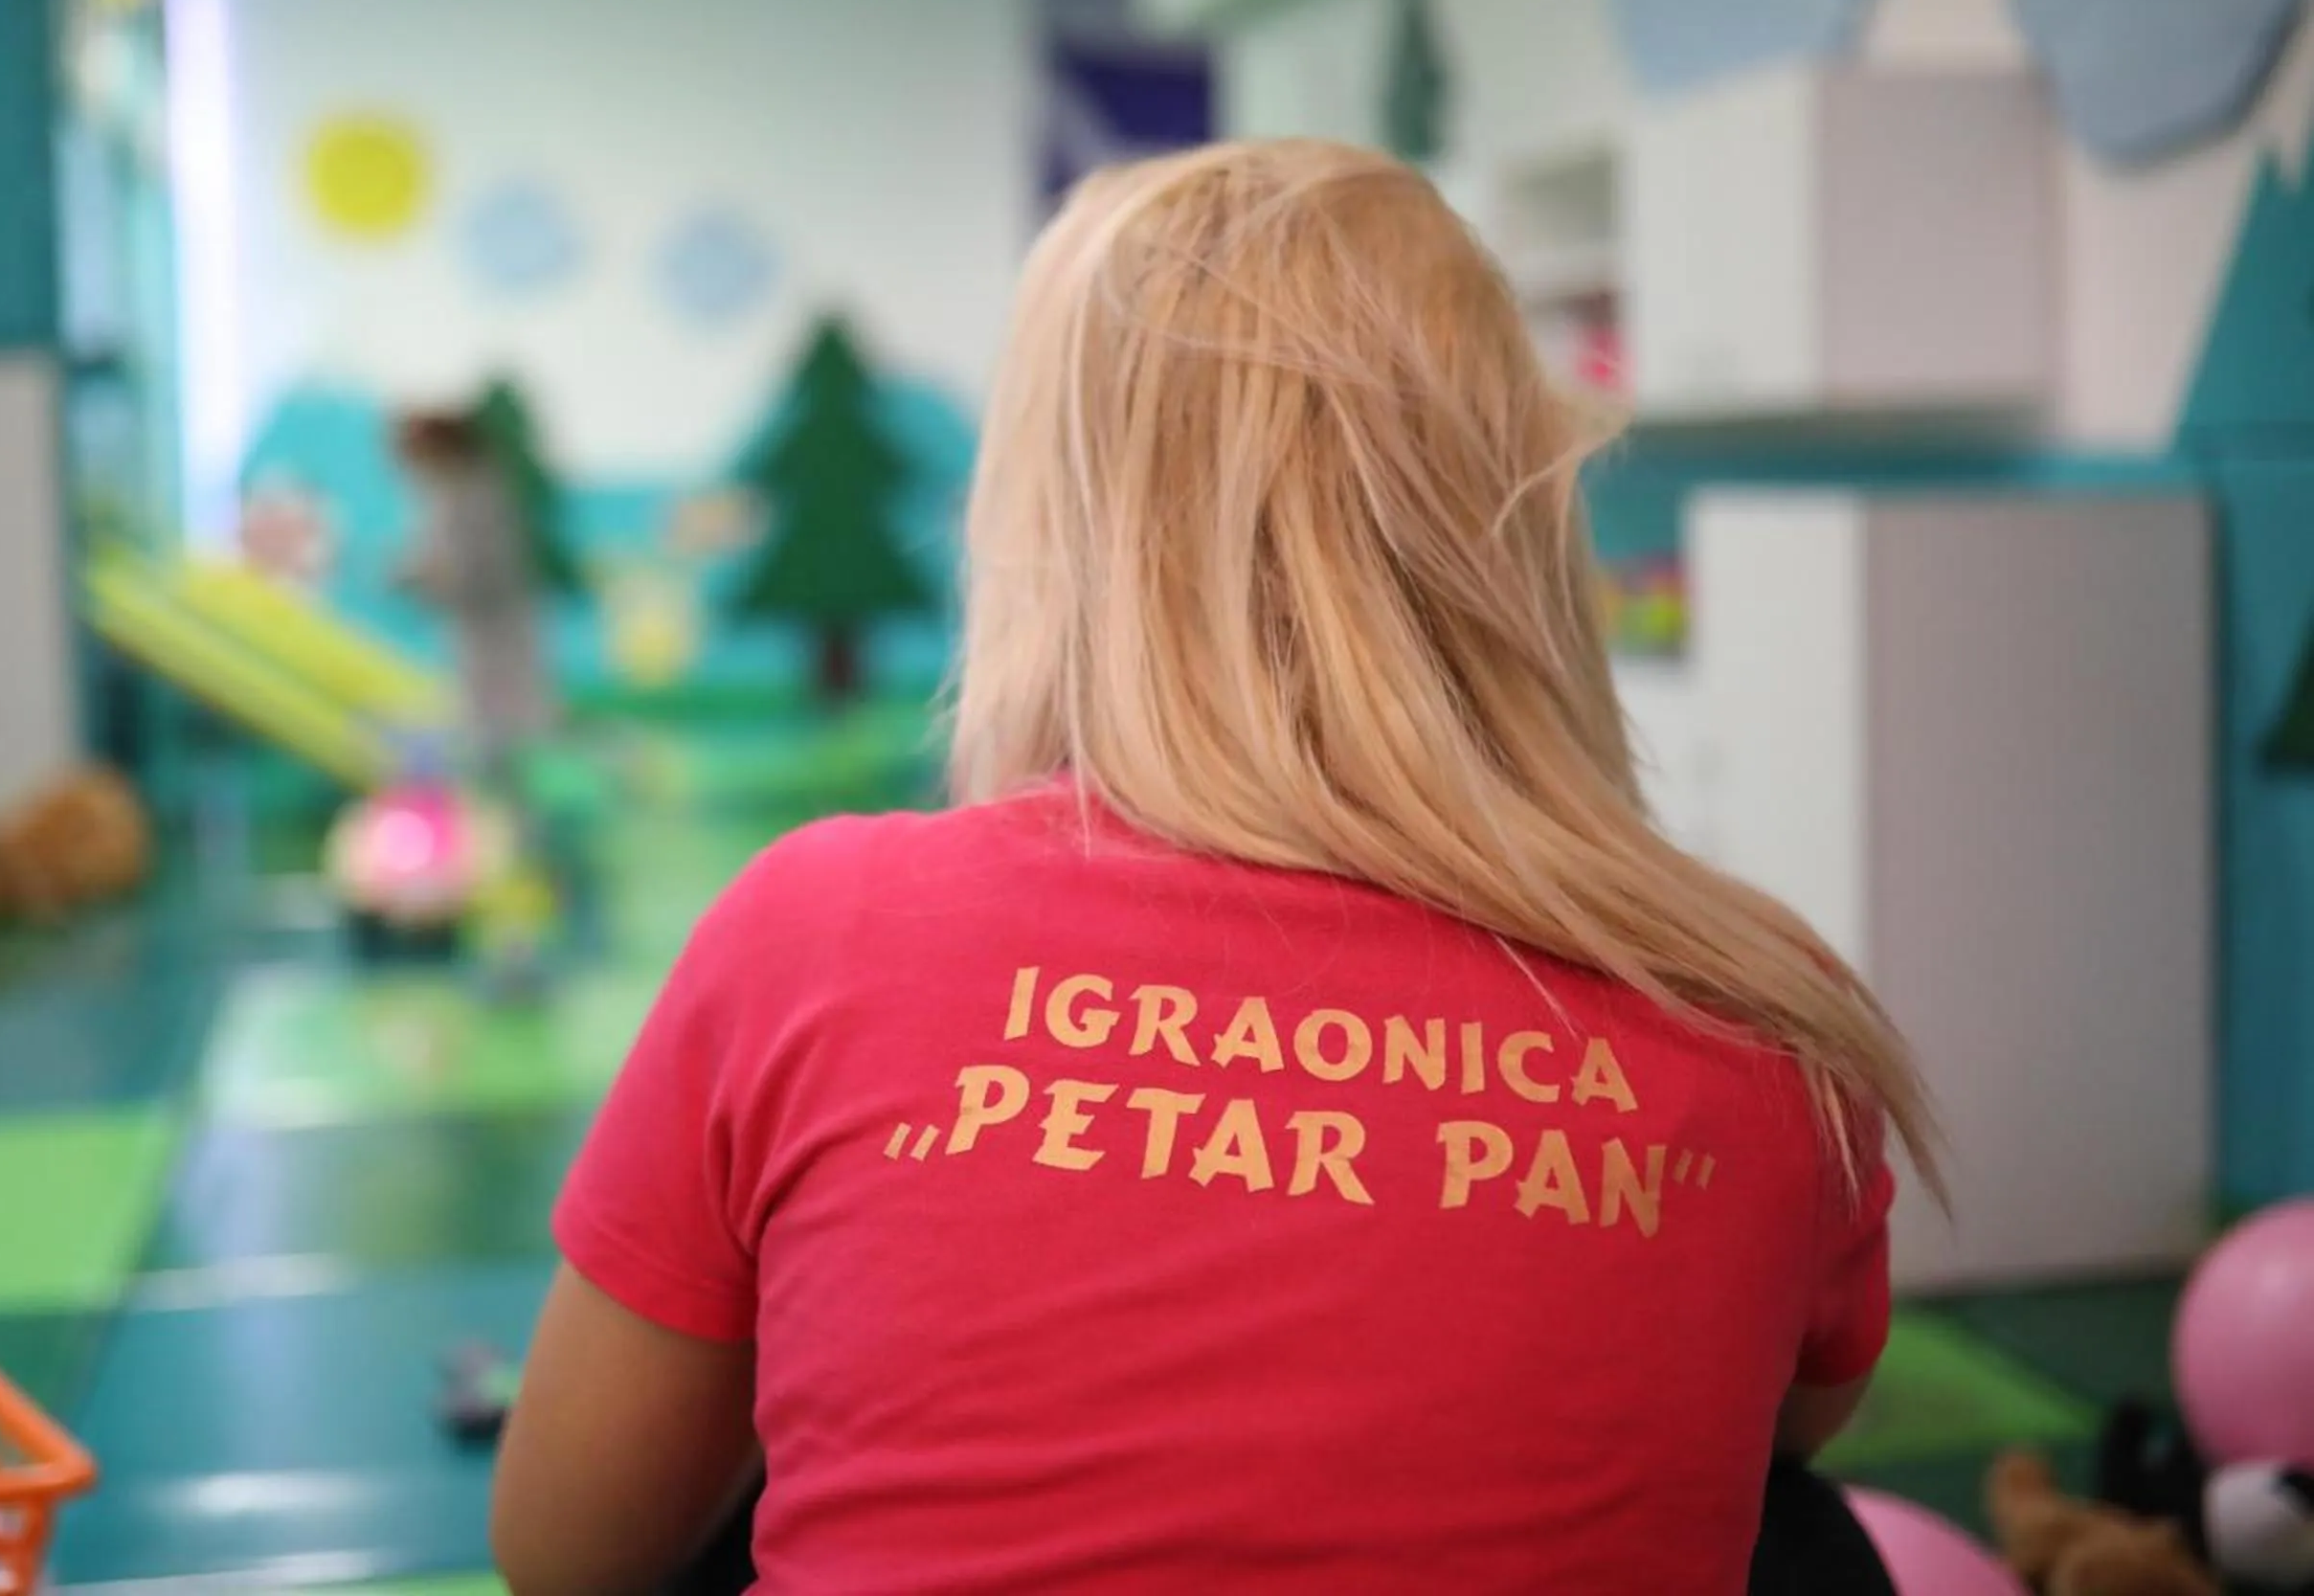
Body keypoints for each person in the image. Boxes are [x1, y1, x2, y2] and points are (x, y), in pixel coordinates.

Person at [493, 141, 1938, 1595]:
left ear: (1058, 529)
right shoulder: (1760, 1012)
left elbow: (563, 1555)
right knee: (1802, 1536)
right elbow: (1789, 1415)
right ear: (1518, 510)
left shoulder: (822, 923)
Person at [393, 405, 552, 772]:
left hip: (495, 612)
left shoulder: (474, 490)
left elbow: (474, 560)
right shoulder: (448, 491)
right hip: (479, 617)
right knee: (483, 698)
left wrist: (431, 577)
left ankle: (514, 770)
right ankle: (501, 765)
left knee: (505, 700)